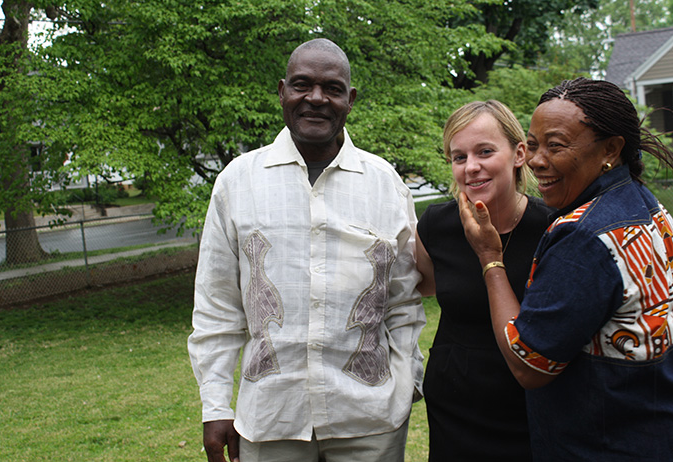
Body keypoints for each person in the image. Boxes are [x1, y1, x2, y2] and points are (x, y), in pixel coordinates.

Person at [187, 38, 425, 462]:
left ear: (350, 99)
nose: (315, 98)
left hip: (370, 421)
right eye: (302, 85)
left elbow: (404, 302)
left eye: (332, 88)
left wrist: (410, 380)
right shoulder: (237, 181)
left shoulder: (385, 183)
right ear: (282, 91)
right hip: (270, 418)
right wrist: (216, 405)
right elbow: (217, 306)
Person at [459, 77, 673, 460]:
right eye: (534, 144)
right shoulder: (646, 208)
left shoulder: (584, 237)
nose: (538, 160)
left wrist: (490, 257)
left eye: (556, 146)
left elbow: (529, 365)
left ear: (611, 148)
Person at [416, 100, 553, 461]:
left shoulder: (553, 229)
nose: (471, 167)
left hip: (531, 407)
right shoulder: (436, 226)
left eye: (485, 152)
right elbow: (424, 286)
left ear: (519, 153)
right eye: (459, 157)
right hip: (454, 408)